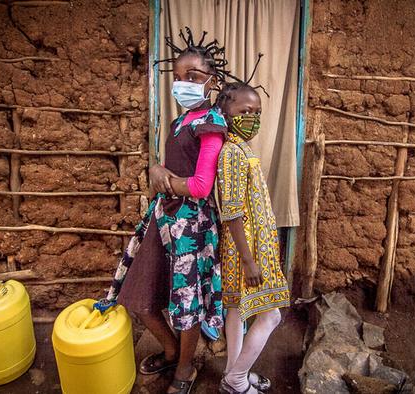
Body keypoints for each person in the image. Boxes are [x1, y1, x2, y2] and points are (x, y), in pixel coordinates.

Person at [105, 28, 229, 394]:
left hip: (192, 227)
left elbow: (201, 186)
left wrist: (160, 175)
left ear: (213, 81)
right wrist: (159, 172)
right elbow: (173, 172)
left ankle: (186, 369)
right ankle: (173, 350)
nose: (183, 84)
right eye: (177, 78)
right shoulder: (178, 123)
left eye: (192, 77)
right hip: (163, 218)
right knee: (138, 293)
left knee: (187, 301)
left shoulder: (212, 124)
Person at [215, 75, 290, 394]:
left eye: (257, 112)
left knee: (236, 309)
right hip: (246, 250)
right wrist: (248, 261)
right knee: (271, 316)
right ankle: (236, 379)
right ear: (227, 113)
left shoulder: (240, 147)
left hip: (245, 247)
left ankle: (235, 375)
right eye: (246, 111)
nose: (253, 118)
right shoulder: (231, 152)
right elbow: (230, 210)